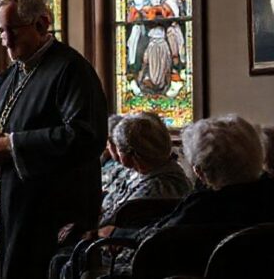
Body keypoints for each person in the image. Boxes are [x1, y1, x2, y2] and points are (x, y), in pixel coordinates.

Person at [0, 0, 108, 279]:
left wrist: (13, 145)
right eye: (0, 31)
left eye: (12, 30)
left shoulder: (71, 69)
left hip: (46, 213)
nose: (5, 40)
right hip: (3, 209)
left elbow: (85, 136)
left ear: (42, 24)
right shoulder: (5, 78)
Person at [88, 115, 274, 278]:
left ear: (199, 171)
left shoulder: (201, 208)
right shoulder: (267, 197)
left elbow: (152, 240)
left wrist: (114, 232)